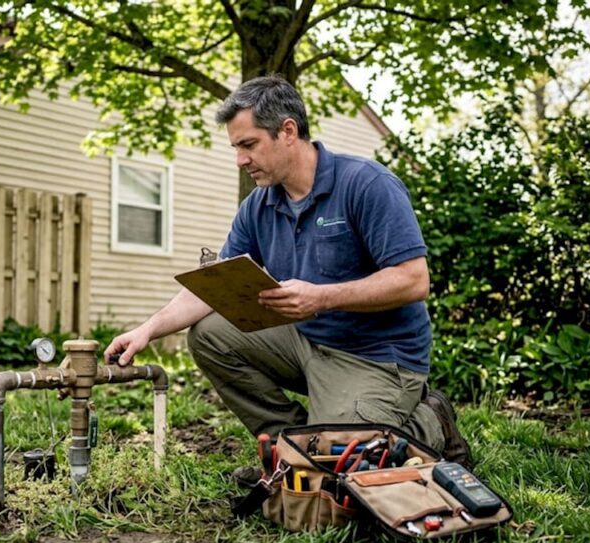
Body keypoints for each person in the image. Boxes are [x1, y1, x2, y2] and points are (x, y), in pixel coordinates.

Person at [103, 76, 471, 473]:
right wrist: (147, 330)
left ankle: (432, 421)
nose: (240, 160)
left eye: (249, 145)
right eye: (236, 148)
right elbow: (214, 289)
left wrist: (321, 297)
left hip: (376, 357)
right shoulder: (258, 205)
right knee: (210, 334)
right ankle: (289, 446)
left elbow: (414, 280)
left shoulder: (366, 184)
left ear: (288, 131)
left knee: (348, 466)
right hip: (304, 344)